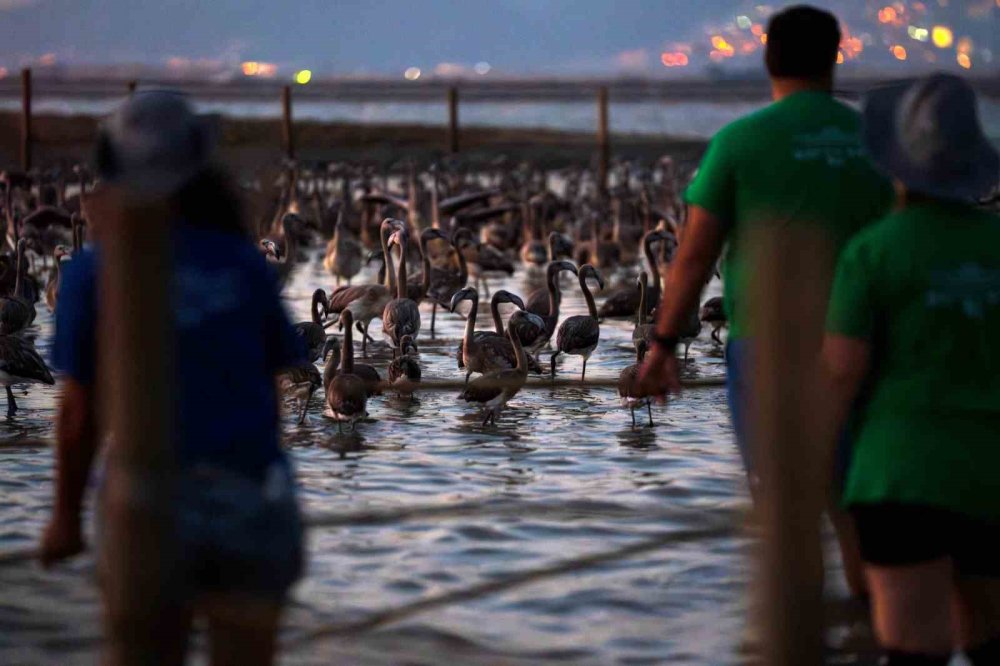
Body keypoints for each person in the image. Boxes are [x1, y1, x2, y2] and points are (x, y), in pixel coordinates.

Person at [38, 91, 306, 666]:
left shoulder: (91, 272)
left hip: (148, 510)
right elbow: (273, 386)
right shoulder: (243, 264)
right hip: (252, 498)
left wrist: (64, 520)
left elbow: (78, 415)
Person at [634, 5, 893, 595]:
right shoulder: (878, 145)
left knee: (783, 516)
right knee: (858, 514)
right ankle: (866, 631)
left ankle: (794, 629)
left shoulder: (739, 142)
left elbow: (693, 258)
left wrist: (663, 345)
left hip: (768, 350)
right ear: (834, 58)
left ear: (767, 58)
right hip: (867, 349)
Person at [821, 74, 1000, 665]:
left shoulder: (873, 252)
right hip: (991, 475)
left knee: (912, 650)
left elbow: (839, 375)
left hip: (899, 478)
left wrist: (806, 463)